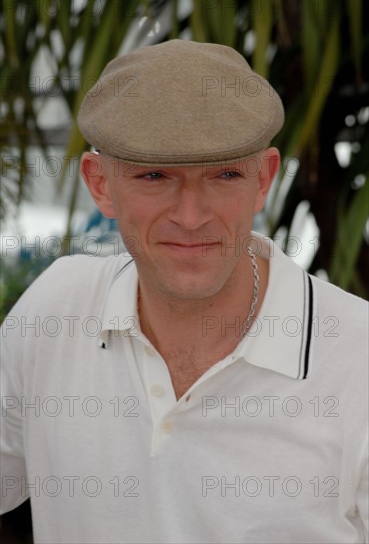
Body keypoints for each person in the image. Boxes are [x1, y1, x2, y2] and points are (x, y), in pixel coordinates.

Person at [1, 40, 368, 544]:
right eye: (154, 175)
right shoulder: (55, 309)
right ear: (99, 183)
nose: (191, 217)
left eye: (224, 175)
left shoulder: (358, 355)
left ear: (263, 179)